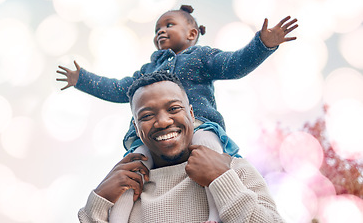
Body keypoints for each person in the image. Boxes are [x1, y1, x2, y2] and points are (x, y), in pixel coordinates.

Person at [56, 5, 298, 156]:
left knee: (208, 150)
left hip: (198, 124)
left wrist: (263, 45)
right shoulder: (149, 70)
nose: (160, 31)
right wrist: (83, 80)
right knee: (132, 166)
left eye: (168, 25)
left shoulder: (201, 56)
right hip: (150, 134)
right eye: (156, 29)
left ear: (192, 34)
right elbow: (120, 89)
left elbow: (233, 65)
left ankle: (216, 214)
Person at [77, 71, 285, 222]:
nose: (163, 121)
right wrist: (100, 198)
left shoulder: (234, 170)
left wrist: (221, 179)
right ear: (136, 128)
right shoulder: (125, 191)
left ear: (192, 115)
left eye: (174, 108)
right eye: (147, 116)